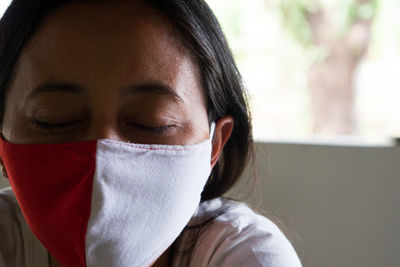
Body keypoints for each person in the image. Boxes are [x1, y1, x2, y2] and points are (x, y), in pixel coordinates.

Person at [0, 0, 302, 266]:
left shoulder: (246, 256)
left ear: (214, 145)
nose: (103, 155)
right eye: (53, 119)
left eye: (152, 123)